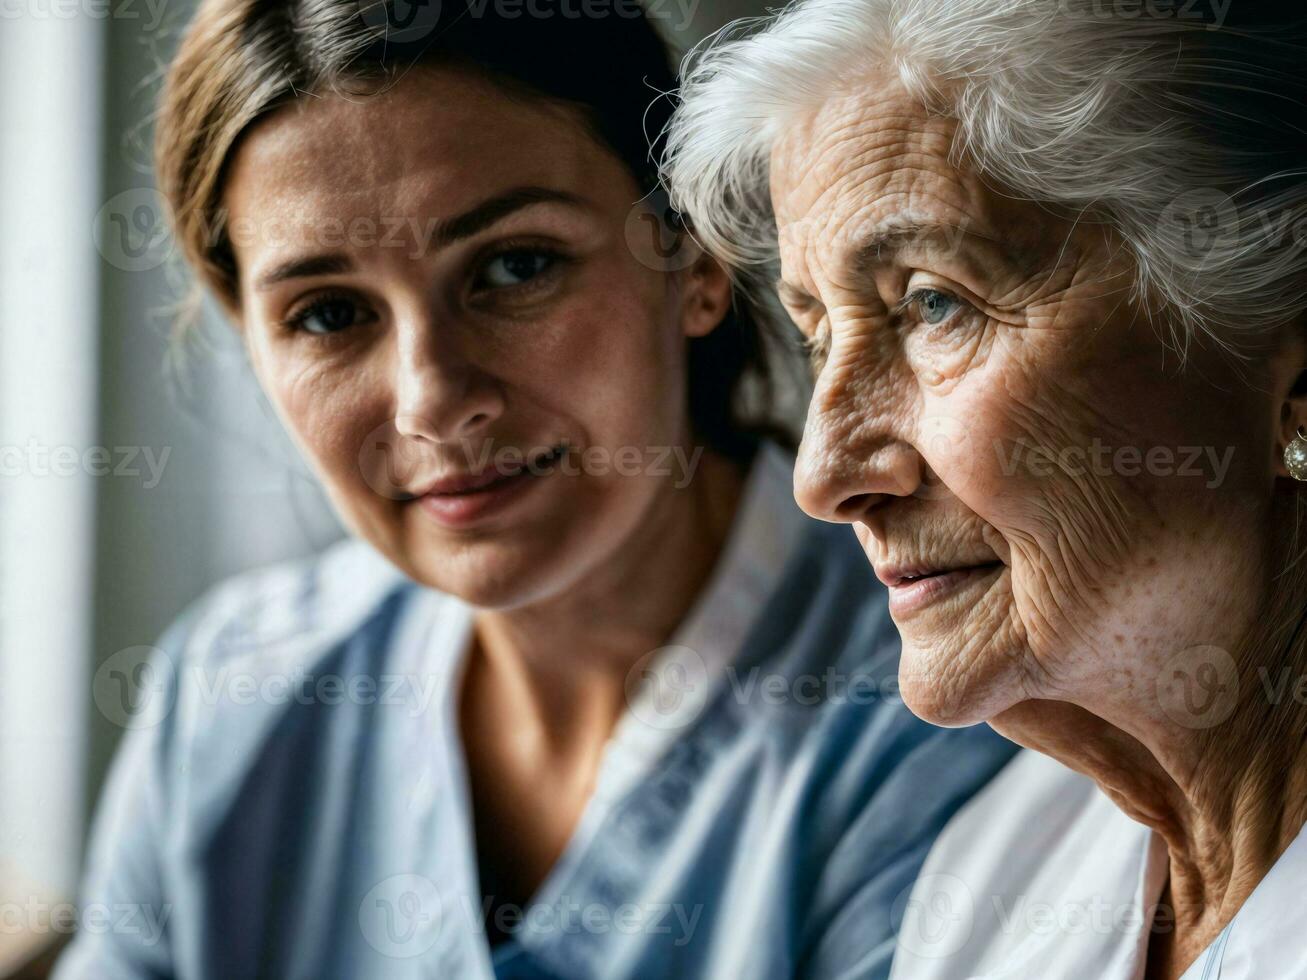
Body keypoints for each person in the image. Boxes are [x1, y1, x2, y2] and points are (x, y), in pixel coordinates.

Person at [54, 2, 1017, 978]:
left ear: (693, 255)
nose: (433, 401)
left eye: (515, 266)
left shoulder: (942, 716)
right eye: (329, 313)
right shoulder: (230, 695)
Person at [663, 0, 1307, 977]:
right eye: (817, 335)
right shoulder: (996, 870)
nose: (823, 473)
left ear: (1288, 381)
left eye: (931, 304)